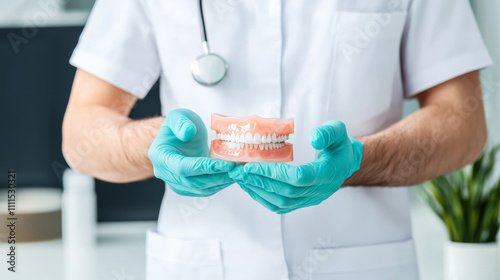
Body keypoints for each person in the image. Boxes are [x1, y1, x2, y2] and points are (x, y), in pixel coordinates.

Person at [62, 0, 492, 279]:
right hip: (204, 263)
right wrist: (155, 146)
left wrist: (358, 161)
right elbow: (82, 128)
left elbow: (463, 122)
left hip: (360, 264)